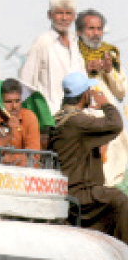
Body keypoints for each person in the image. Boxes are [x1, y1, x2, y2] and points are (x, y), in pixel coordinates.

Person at [49, 71, 128, 243]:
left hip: (69, 190)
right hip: (78, 193)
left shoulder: (59, 118)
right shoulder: (78, 122)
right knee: (119, 199)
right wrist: (105, 103)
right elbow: (115, 124)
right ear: (85, 95)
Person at [75, 9, 128, 187]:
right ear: (79, 32)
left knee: (114, 172)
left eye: (99, 29)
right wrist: (86, 70)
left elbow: (121, 92)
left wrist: (109, 70)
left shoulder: (109, 53)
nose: (95, 33)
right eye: (91, 28)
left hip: (109, 119)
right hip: (86, 119)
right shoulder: (72, 54)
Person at [20, 0, 85, 114]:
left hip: (76, 117)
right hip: (51, 116)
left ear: (74, 16)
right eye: (60, 13)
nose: (64, 18)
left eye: (68, 13)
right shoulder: (42, 42)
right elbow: (26, 83)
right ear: (50, 15)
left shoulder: (75, 44)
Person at [0, 78, 41, 152]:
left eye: (17, 101)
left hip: (17, 163)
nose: (14, 106)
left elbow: (33, 156)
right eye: (8, 102)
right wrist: (8, 136)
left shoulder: (29, 118)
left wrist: (4, 160)